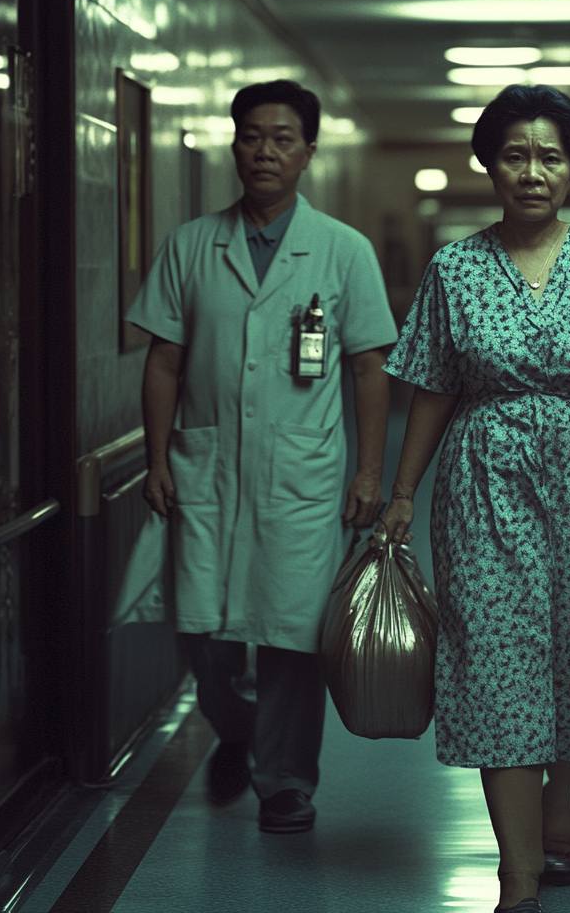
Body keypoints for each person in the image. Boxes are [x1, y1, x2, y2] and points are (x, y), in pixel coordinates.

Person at [379, 84, 570, 913]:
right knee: (491, 659)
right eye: (515, 155)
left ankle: (558, 799)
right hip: (481, 483)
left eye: (550, 155)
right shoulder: (455, 267)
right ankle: (519, 873)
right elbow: (434, 386)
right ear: (488, 164)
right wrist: (404, 491)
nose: (532, 171)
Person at [126, 80, 397, 832]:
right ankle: (236, 727)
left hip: (302, 477)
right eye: (251, 135)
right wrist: (155, 459)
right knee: (202, 628)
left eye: (282, 138)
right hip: (203, 467)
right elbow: (163, 364)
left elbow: (372, 367)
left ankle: (285, 782)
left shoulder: (343, 251)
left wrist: (369, 474)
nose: (265, 150)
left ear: (309, 152)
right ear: (233, 144)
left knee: (291, 634)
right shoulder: (189, 245)